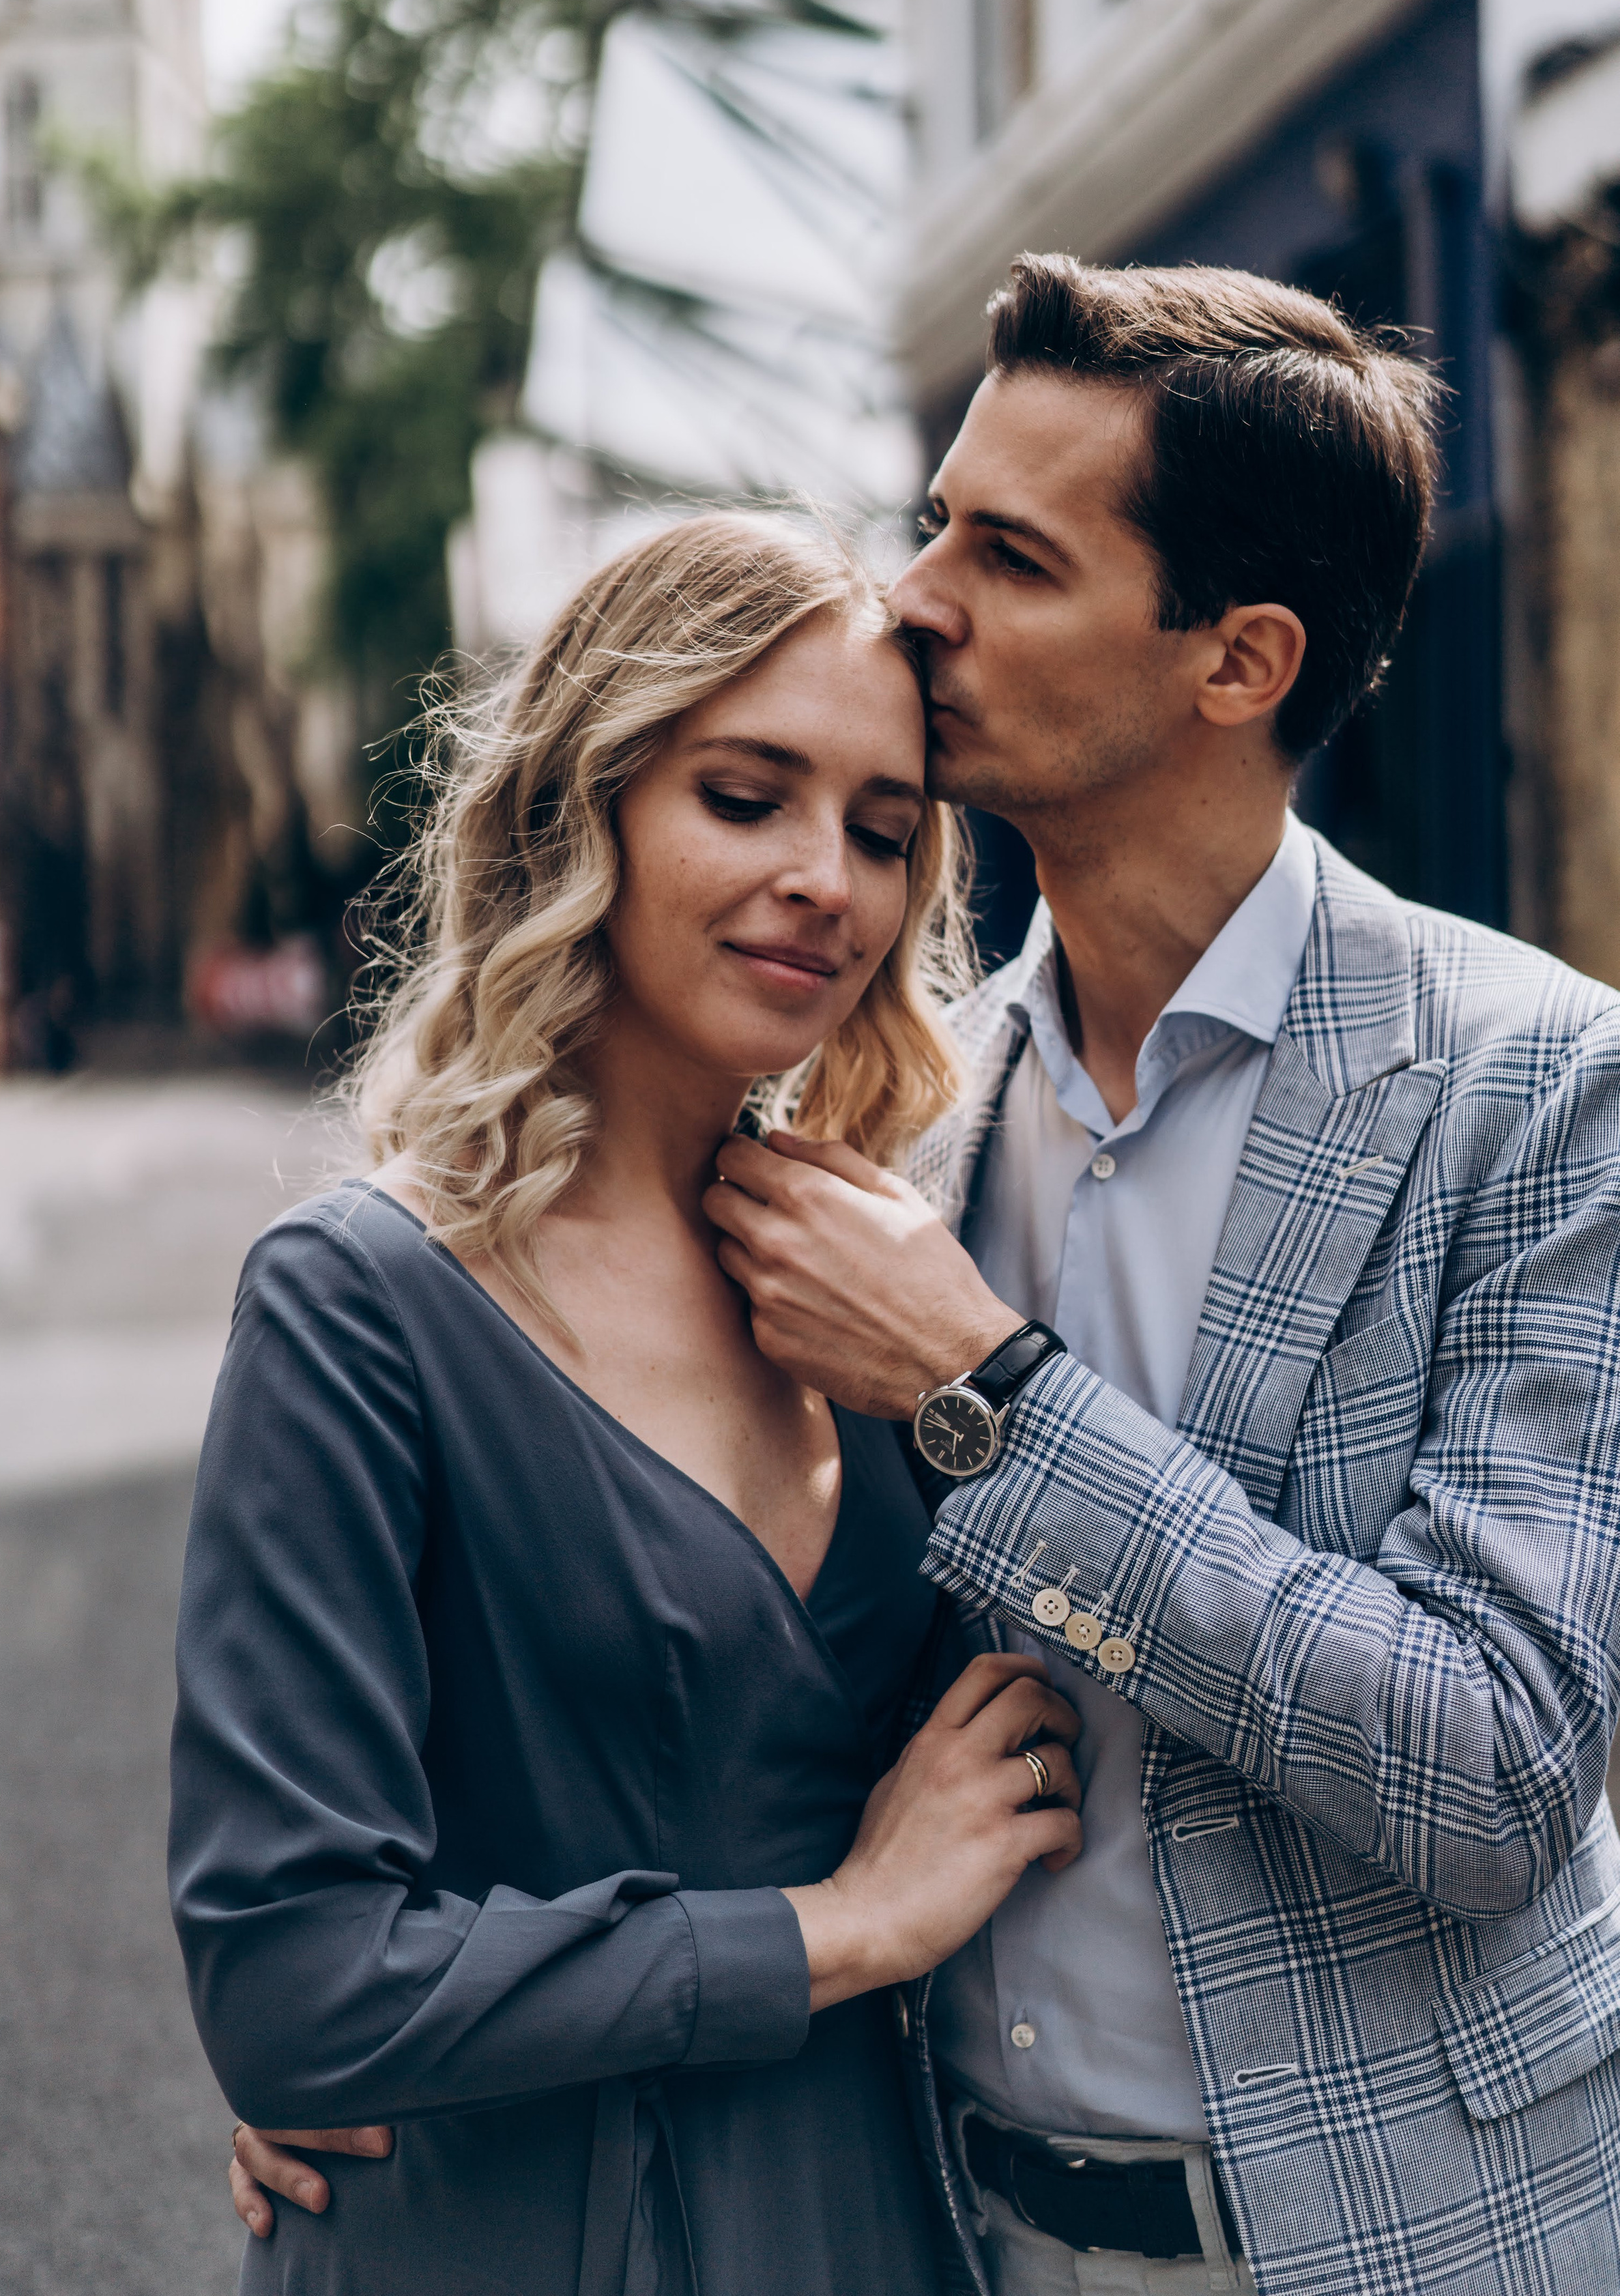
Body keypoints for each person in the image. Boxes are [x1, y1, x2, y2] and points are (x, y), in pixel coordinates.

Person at [694, 256, 1620, 2295]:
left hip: (1397, 2252)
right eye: (936, 519)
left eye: (1008, 557)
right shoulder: (891, 1116)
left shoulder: (1537, 1091)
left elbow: (1493, 1769)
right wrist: (391, 2040)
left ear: (1236, 661)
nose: (915, 594)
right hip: (949, 2229)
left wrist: (990, 1401)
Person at [169, 513, 1088, 2296]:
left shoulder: (897, 1273)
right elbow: (293, 1990)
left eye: (883, 832)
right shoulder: (361, 1306)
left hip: (862, 2221)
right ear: (577, 810)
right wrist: (839, 1927)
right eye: (746, 798)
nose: (829, 877)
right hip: (510, 2236)